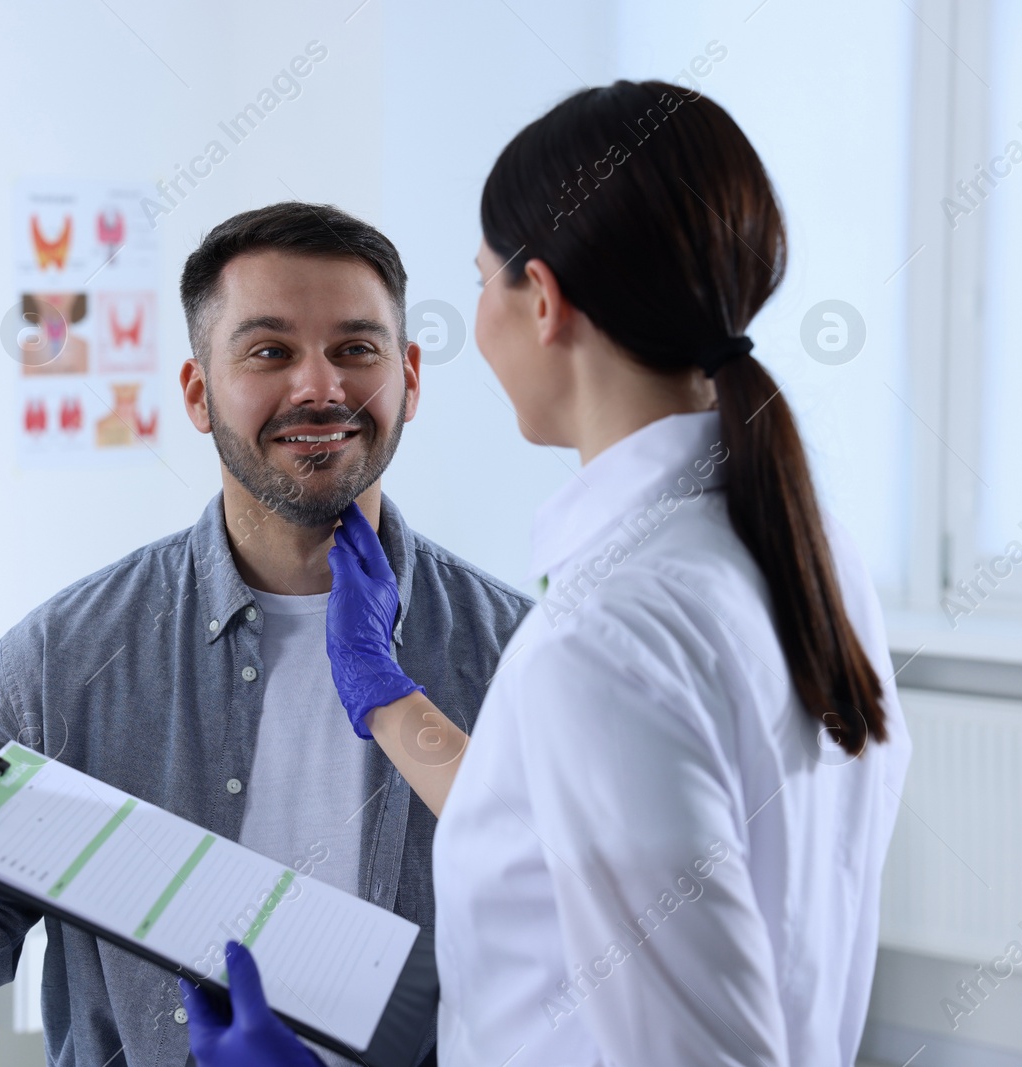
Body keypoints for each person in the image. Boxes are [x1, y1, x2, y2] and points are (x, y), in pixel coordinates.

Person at [183, 81, 912, 1067]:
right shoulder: (805, 552)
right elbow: (590, 819)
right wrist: (386, 694)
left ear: (542, 300)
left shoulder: (604, 637)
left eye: (481, 280)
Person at [0, 201, 533, 1067]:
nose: (320, 387)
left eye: (357, 349)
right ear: (198, 391)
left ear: (410, 378)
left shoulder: (518, 656)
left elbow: (596, 966)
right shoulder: (64, 663)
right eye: (270, 351)